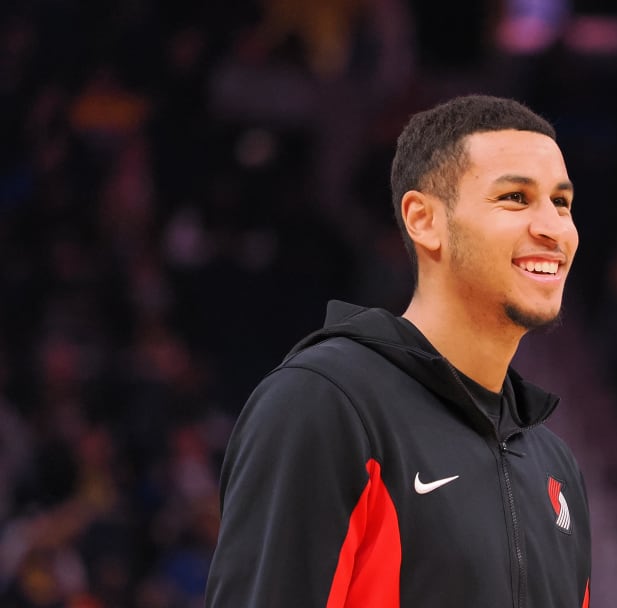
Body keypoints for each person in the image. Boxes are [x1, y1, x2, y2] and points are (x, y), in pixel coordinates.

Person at [205, 94, 591, 607]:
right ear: (424, 219)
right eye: (515, 198)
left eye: (561, 202)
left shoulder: (555, 465)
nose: (553, 228)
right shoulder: (326, 404)